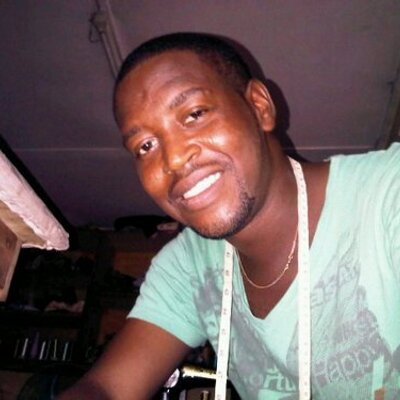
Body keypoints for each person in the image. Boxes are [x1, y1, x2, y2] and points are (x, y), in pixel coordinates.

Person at [58, 32, 400, 399]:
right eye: (145, 145)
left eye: (194, 114)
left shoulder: (387, 195)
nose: (174, 159)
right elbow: (106, 387)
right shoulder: (189, 267)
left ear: (259, 107)